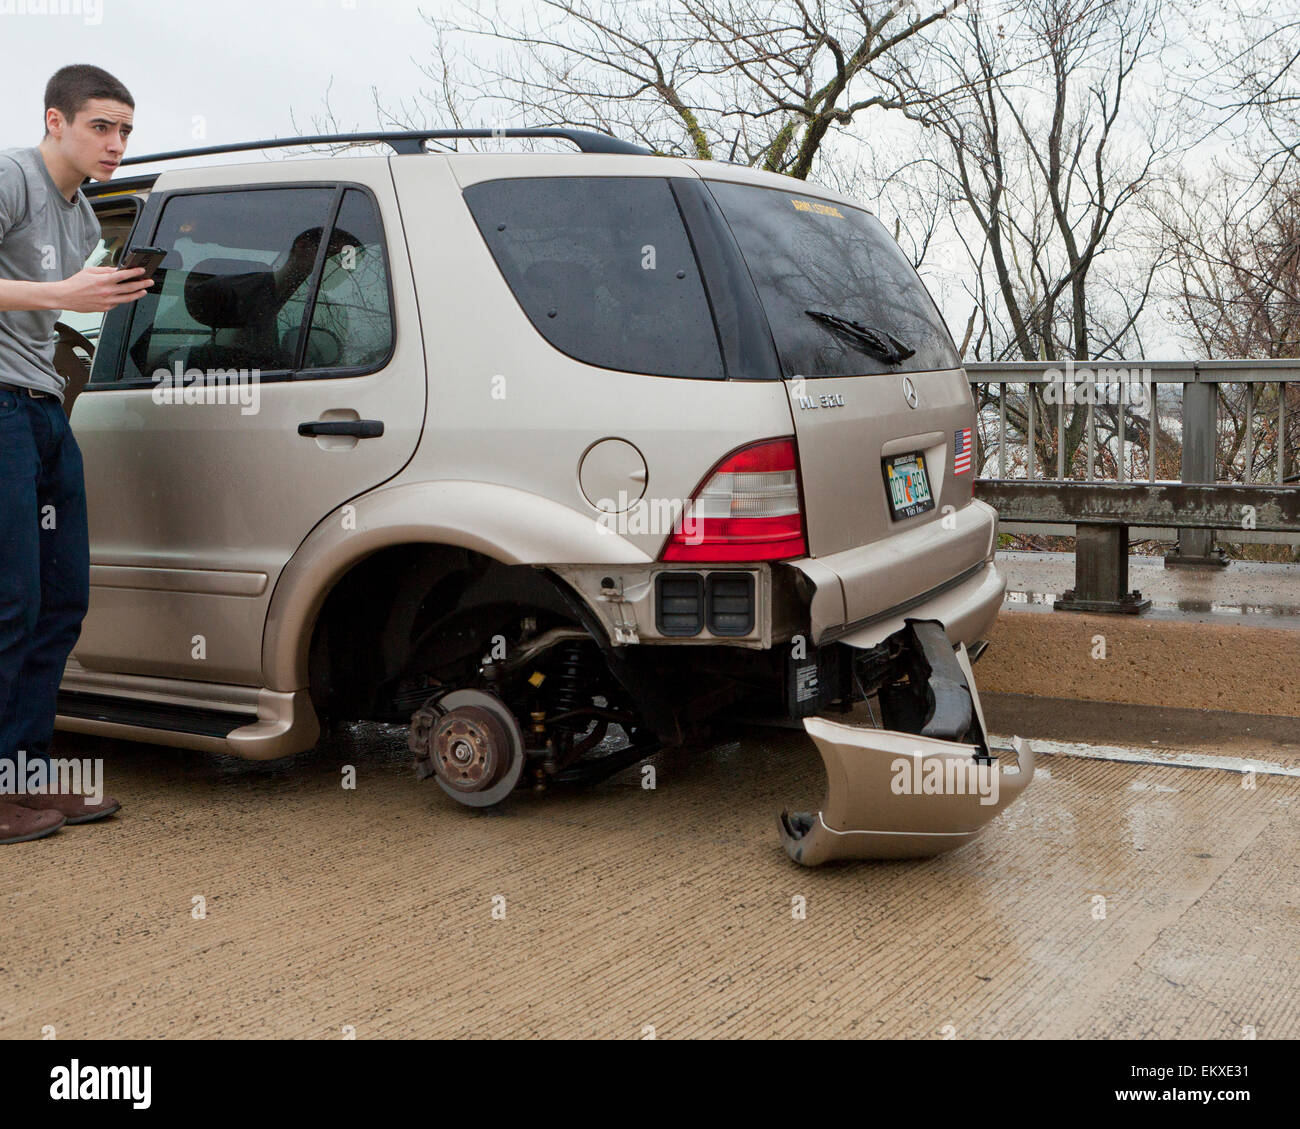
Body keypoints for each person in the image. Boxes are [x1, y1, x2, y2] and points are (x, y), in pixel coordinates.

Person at [0, 65, 153, 844]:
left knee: (62, 599)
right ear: (55, 120)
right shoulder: (12, 177)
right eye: (101, 125)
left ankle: (23, 776)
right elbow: (43, 297)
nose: (116, 143)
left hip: (41, 409)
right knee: (13, 599)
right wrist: (64, 292)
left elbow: (61, 321)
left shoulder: (84, 212)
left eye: (125, 129)